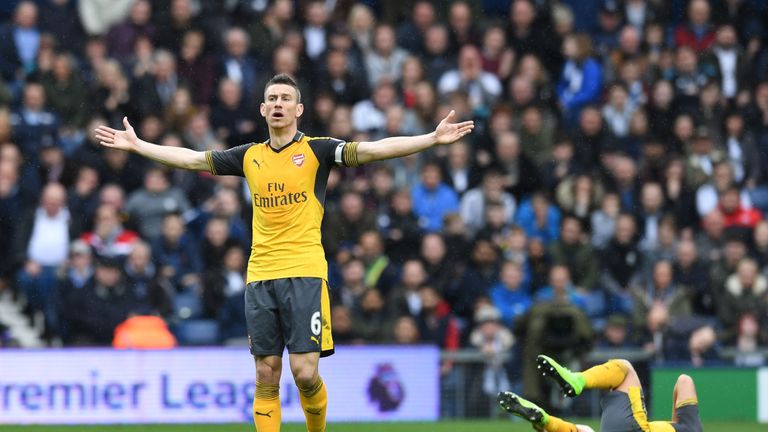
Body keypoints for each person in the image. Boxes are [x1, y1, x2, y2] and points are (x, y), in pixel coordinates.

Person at [94, 73, 473, 432]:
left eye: (285, 99)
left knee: (305, 374)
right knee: (265, 373)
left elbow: (373, 150)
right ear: (262, 109)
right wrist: (138, 145)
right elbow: (194, 159)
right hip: (260, 275)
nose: (278, 104)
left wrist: (430, 139)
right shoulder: (249, 156)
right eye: (272, 98)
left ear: (298, 109)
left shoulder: (317, 151)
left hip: (305, 272)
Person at [498, 354, 702, 432]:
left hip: (633, 429)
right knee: (583, 431)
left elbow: (684, 381)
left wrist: (679, 421)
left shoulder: (692, 427)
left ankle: (577, 380)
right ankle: (544, 421)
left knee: (624, 369)